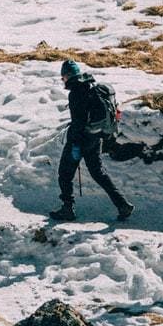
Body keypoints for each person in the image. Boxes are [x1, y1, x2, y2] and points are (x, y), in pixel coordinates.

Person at [52, 60, 133, 223]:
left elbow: (79, 122)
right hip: (95, 137)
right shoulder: (91, 87)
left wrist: (74, 145)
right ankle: (122, 204)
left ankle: (68, 209)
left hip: (80, 140)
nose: (63, 81)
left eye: (63, 78)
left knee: (64, 174)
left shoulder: (75, 92)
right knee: (98, 173)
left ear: (67, 76)